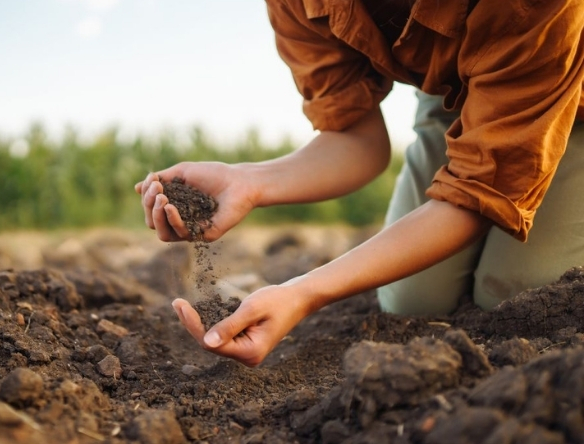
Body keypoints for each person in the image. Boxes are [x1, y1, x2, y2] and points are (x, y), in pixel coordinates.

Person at [135, 0, 584, 367]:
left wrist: (304, 292)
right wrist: (248, 181)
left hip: (565, 85)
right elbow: (356, 139)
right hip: (459, 93)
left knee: (520, 297)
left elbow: (476, 193)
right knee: (413, 302)